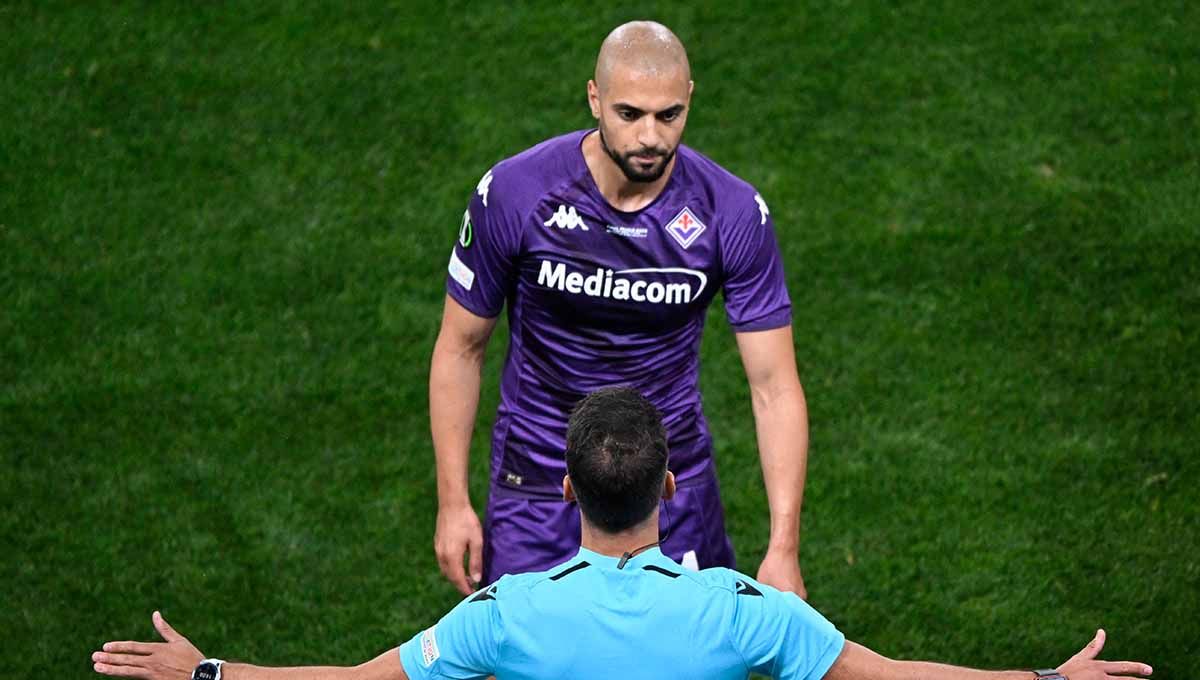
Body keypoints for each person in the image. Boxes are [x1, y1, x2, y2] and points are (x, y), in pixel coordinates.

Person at [92, 388, 1152, 680]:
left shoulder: (502, 616)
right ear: (673, 482)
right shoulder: (746, 614)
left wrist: (208, 673)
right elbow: (900, 676)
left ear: (560, 487)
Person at [430, 19, 810, 598]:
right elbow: (461, 346)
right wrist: (453, 504)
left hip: (668, 485)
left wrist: (784, 545)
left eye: (668, 115)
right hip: (539, 479)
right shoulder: (516, 194)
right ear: (595, 100)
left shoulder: (730, 212)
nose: (650, 137)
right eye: (629, 114)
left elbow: (774, 385)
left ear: (689, 100)